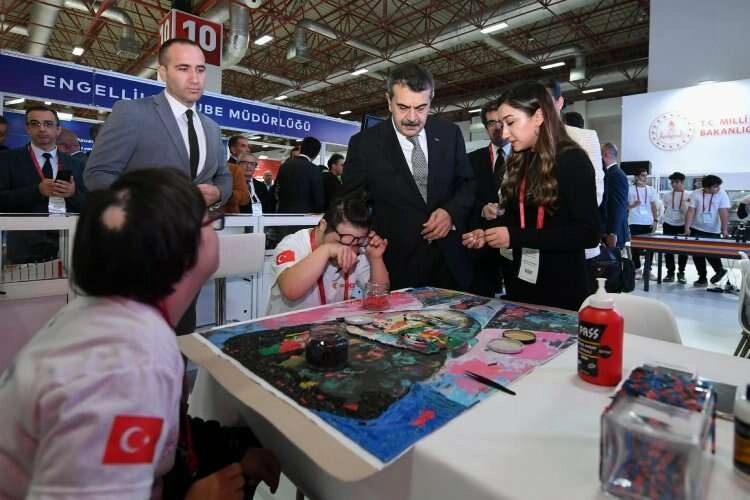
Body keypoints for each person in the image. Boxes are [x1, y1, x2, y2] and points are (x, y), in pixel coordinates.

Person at [0, 169, 280, 499]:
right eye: (207, 219)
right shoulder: (130, 363)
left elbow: (160, 435)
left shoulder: (98, 314)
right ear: (179, 246)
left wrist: (232, 450)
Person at [462, 80, 600, 311]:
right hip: (520, 283)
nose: (505, 133)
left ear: (538, 116)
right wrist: (488, 233)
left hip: (561, 287)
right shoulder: (522, 159)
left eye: (510, 123)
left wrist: (515, 236)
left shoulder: (573, 160)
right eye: (502, 125)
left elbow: (589, 233)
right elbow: (517, 216)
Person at [341, 62, 475, 291]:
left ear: (431, 99)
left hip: (449, 263)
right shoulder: (365, 144)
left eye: (421, 108)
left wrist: (450, 212)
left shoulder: (449, 134)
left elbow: (467, 184)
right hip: (397, 264)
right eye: (403, 107)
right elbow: (350, 202)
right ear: (388, 101)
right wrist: (365, 236)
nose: (412, 118)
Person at [85, 38, 232, 209]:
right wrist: (144, 203)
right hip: (142, 224)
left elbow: (223, 176)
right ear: (163, 72)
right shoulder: (131, 112)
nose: (195, 79)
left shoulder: (212, 128)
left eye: (200, 70)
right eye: (183, 68)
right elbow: (98, 173)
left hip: (197, 224)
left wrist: (218, 193)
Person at [267, 194, 389, 315]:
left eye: (357, 244)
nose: (349, 251)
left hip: (333, 323)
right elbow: (290, 291)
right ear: (323, 226)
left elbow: (379, 297)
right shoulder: (293, 244)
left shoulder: (358, 248)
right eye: (342, 243)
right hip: (287, 325)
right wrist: (326, 250)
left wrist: (375, 259)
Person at [0, 106, 86, 263]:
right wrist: (37, 191)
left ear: (58, 129)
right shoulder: (7, 160)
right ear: (27, 128)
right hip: (23, 248)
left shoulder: (76, 165)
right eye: (35, 124)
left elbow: (88, 204)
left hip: (66, 244)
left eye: (48, 124)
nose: (42, 129)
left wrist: (73, 194)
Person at [546, 81, 603, 291]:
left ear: (559, 102)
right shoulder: (524, 140)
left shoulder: (584, 137)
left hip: (572, 243)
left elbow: (596, 192)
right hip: (532, 248)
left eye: (546, 101)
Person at [467, 98, 510, 297]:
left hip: (516, 247)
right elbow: (464, 198)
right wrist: (481, 209)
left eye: (502, 121)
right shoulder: (471, 160)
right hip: (482, 248)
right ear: (486, 128)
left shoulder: (527, 158)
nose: (498, 127)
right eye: (492, 123)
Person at [683, 174, 730, 286]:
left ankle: (719, 270)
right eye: (715, 187)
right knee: (697, 255)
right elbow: (691, 211)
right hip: (697, 228)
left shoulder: (722, 194)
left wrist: (724, 229)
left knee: (712, 253)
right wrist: (687, 227)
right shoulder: (696, 194)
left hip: (714, 230)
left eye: (719, 186)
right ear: (706, 188)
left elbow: (723, 212)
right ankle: (702, 278)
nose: (718, 188)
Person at [276, 136, 324, 214]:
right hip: (305, 217)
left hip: (283, 215)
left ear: (300, 148)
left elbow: (276, 191)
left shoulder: (284, 166)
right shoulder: (314, 169)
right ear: (316, 154)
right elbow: (318, 199)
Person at [627, 167, 658, 280]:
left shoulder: (651, 190)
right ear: (636, 177)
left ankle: (647, 270)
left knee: (650, 246)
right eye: (642, 175)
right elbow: (624, 206)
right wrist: (632, 205)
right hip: (634, 221)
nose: (645, 178)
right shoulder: (629, 189)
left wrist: (655, 220)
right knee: (635, 247)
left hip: (648, 221)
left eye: (646, 175)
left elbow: (654, 206)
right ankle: (637, 269)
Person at [661, 171, 689, 283]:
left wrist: (684, 207)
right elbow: (665, 208)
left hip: (683, 225)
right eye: (672, 182)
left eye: (676, 182)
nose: (673, 184)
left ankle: (681, 273)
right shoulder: (667, 195)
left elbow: (691, 212)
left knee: (683, 250)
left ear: (682, 182)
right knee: (668, 250)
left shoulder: (689, 195)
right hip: (668, 224)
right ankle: (670, 273)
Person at [600, 142, 629, 250]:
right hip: (609, 231)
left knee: (612, 259)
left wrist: (612, 232)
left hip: (613, 233)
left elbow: (618, 205)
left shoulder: (615, 174)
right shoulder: (611, 173)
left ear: (606, 154)